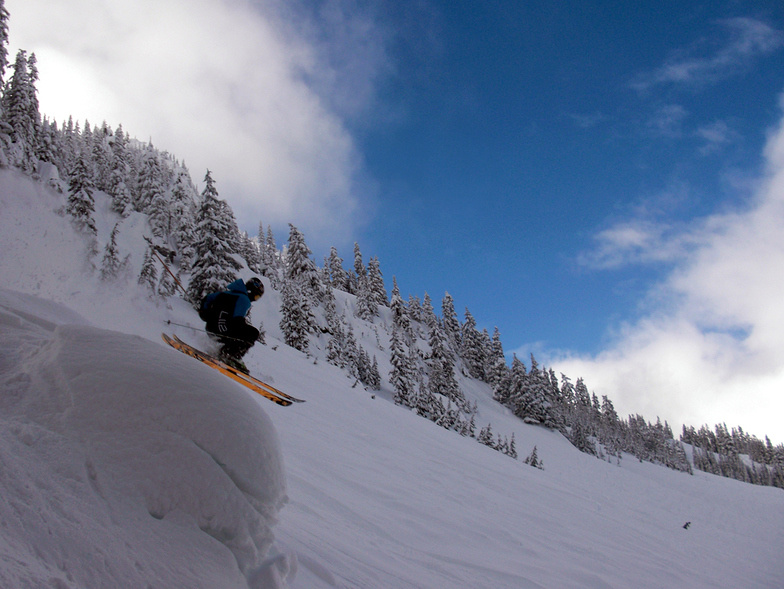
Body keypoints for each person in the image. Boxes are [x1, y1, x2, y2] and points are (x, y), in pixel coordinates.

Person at [199, 277, 264, 371]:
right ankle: (231, 356)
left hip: (210, 329)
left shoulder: (224, 293)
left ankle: (223, 353)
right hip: (223, 330)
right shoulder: (244, 299)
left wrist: (203, 312)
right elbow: (237, 320)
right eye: (256, 296)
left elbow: (207, 298)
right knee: (253, 333)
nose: (254, 299)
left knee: (239, 333)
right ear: (251, 291)